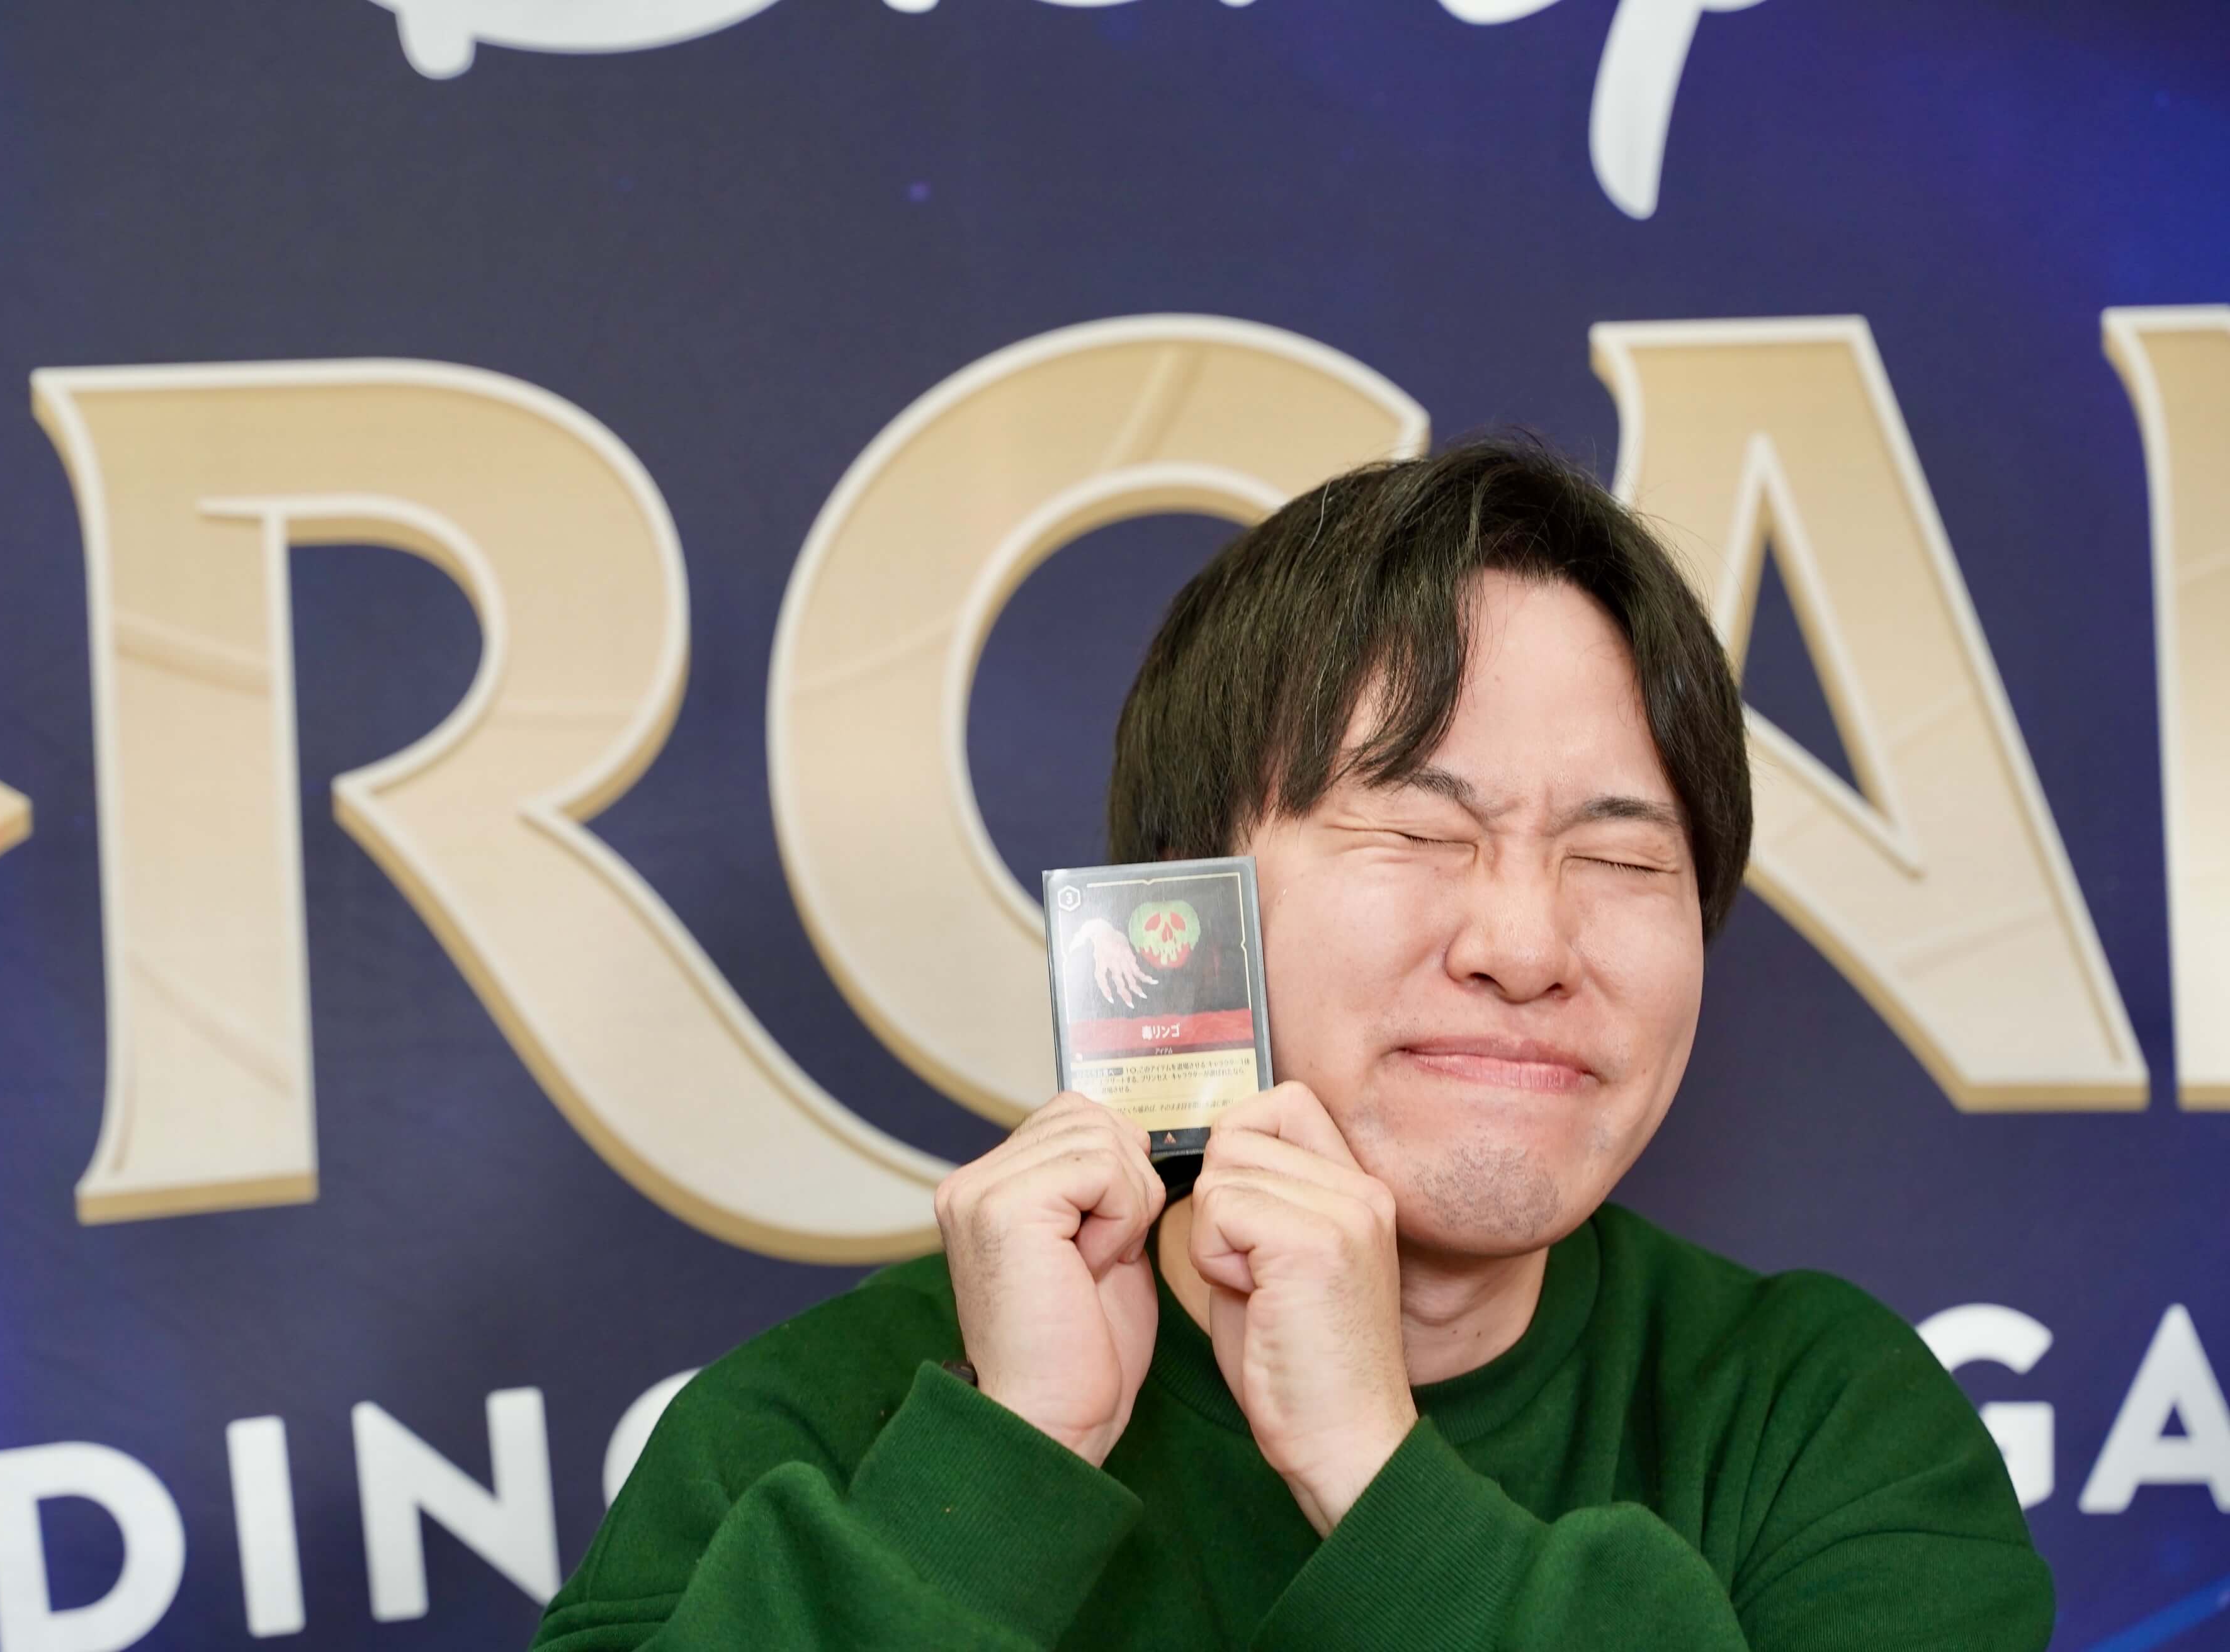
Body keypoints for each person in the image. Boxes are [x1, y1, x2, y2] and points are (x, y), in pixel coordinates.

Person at [528, 438, 2053, 1649]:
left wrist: (1372, 1467)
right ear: (1183, 907)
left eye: (1620, 856)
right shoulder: (816, 1435)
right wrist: (1004, 1461)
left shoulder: (1820, 1418)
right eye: (1417, 830)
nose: (1526, 943)